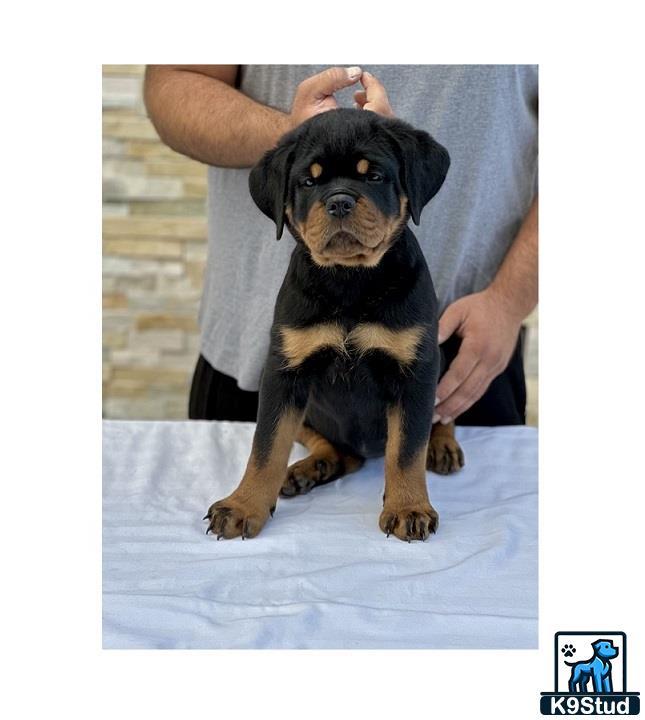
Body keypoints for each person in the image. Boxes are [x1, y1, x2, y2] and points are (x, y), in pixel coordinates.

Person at [143, 65, 538, 426]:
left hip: (459, 360)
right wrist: (293, 139)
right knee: (248, 498)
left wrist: (508, 301)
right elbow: (173, 82)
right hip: (257, 364)